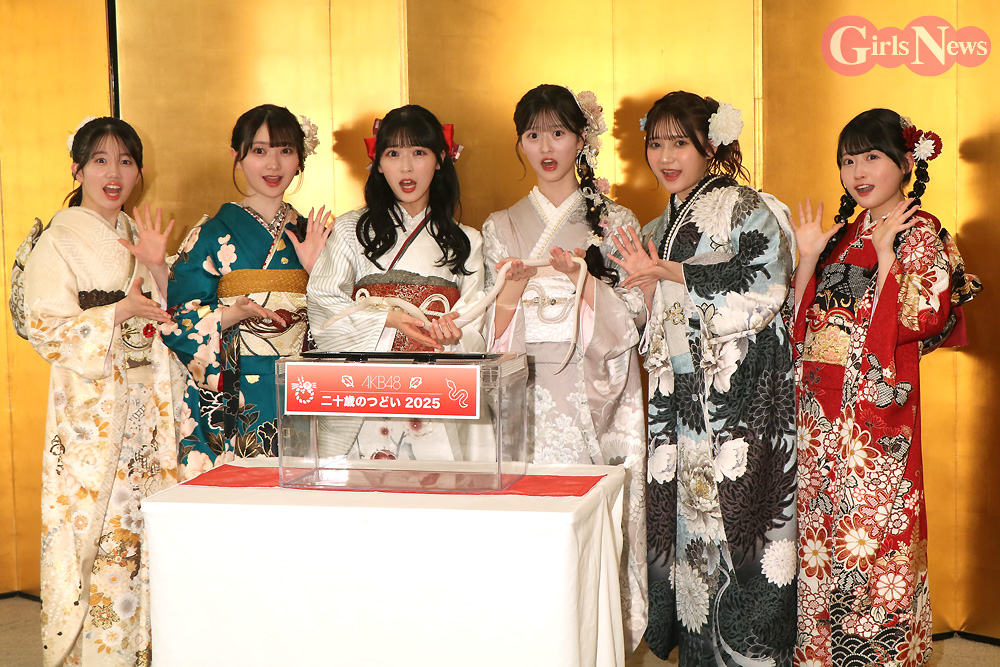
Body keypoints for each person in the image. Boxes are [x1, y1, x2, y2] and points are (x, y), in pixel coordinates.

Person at [791, 109, 980, 667]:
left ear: (904, 163)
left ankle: (884, 658)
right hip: (819, 418)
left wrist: (886, 258)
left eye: (872, 157)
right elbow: (801, 329)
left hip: (875, 423)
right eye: (848, 160)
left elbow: (922, 316)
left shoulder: (921, 231)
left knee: (876, 541)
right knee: (821, 542)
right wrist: (808, 257)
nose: (858, 172)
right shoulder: (844, 233)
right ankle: (821, 655)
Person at [613, 91, 797, 664]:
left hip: (737, 403)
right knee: (694, 541)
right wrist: (622, 284)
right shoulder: (660, 223)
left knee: (741, 529)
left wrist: (670, 272)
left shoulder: (744, 207)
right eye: (656, 144)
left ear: (710, 146)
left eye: (680, 143)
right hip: (682, 407)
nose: (666, 157)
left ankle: (752, 653)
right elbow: (642, 311)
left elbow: (767, 284)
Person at [481, 84, 648, 650]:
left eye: (558, 132)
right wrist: (509, 294)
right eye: (533, 135)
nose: (546, 147)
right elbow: (488, 324)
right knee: (529, 526)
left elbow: (636, 312)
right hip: (524, 387)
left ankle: (589, 646)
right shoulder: (500, 225)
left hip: (588, 387)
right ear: (520, 143)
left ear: (582, 139)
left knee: (585, 524)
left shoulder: (615, 219)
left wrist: (584, 284)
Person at [23, 116, 185, 666]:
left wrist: (159, 269)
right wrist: (117, 310)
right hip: (90, 412)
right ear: (77, 169)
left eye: (125, 161)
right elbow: (45, 326)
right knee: (97, 535)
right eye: (100, 160)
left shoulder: (140, 236)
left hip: (147, 410)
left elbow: (170, 320)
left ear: (140, 171)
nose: (113, 173)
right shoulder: (59, 240)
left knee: (141, 535)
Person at [307, 104, 488, 460]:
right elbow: (323, 301)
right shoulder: (350, 230)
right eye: (393, 154)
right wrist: (386, 319)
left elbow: (475, 315)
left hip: (434, 392)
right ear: (378, 163)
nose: (406, 167)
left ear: (440, 159)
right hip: (364, 392)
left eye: (419, 153)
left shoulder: (467, 240)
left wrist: (453, 335)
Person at [162, 104, 331, 478]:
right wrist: (231, 314)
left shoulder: (315, 236)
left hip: (302, 388)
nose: (273, 164)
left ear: (300, 159)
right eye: (259, 150)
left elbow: (341, 326)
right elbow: (177, 320)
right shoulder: (209, 235)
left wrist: (317, 275)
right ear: (237, 156)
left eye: (285, 150)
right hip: (231, 390)